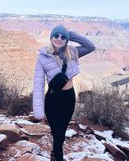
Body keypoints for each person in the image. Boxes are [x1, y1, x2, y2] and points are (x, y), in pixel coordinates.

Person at [33, 25, 95, 161]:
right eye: (56, 36)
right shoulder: (43, 57)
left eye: (62, 37)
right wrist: (38, 111)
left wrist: (70, 34)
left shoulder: (72, 53)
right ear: (51, 37)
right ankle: (58, 157)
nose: (59, 39)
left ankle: (55, 154)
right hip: (53, 99)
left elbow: (90, 47)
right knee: (58, 133)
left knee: (61, 132)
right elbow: (38, 84)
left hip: (68, 98)